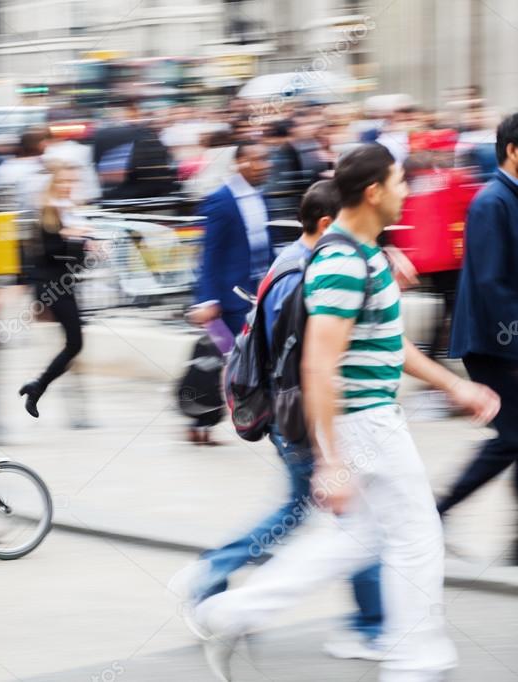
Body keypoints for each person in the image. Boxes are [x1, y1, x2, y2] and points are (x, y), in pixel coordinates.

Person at [190, 144, 500, 682]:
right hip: (366, 422)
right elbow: (318, 364)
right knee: (417, 533)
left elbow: (388, 345)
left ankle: (228, 614)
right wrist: (331, 460)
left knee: (356, 540)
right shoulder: (342, 261)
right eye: (401, 181)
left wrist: (455, 386)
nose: (409, 191)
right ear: (375, 191)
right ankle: (415, 661)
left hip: (366, 422)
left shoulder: (364, 254)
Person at [170, 180, 385, 661]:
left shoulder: (290, 262)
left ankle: (212, 577)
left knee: (315, 514)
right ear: (328, 225)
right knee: (350, 520)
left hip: (289, 417)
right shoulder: (303, 275)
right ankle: (370, 626)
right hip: (298, 421)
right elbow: (308, 362)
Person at [440, 112, 518, 564]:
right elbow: (492, 286)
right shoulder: (491, 202)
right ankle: (438, 511)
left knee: (517, 435)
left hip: (505, 338)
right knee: (512, 437)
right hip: (493, 342)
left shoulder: (510, 197)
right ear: (513, 150)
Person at [17, 162, 94, 419]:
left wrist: (83, 245)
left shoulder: (70, 213)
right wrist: (71, 238)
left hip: (63, 284)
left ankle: (38, 386)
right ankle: (38, 386)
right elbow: (49, 253)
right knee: (75, 343)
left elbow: (76, 262)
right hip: (51, 285)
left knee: (74, 344)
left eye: (72, 182)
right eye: (62, 182)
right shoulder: (48, 213)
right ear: (53, 184)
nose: (67, 187)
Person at [189, 141, 273, 336]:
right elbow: (210, 252)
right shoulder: (221, 200)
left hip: (261, 294)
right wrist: (209, 299)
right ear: (240, 162)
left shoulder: (261, 197)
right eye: (259, 160)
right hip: (233, 302)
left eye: (267, 159)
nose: (267, 165)